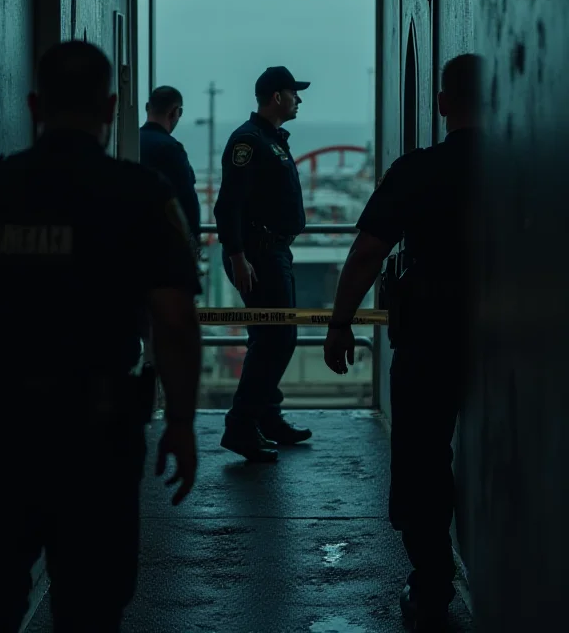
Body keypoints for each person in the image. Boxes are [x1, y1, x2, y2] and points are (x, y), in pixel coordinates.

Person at [0, 41, 202, 633]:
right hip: (96, 429)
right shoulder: (141, 195)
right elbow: (175, 319)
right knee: (91, 603)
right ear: (110, 107)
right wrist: (180, 422)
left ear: (34, 105)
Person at [323, 54, 481, 632]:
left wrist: (341, 322)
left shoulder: (417, 171)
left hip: (430, 338)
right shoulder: (528, 168)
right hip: (514, 341)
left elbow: (367, 252)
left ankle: (433, 586)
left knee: (420, 462)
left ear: (442, 103)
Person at [214, 66, 313, 462]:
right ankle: (241, 425)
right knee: (278, 338)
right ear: (277, 97)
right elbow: (229, 204)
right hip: (257, 255)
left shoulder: (272, 139)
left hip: (273, 252)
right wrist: (238, 257)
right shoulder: (249, 142)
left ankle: (267, 417)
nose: (299, 100)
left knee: (268, 339)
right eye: (294, 93)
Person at [140, 85, 201, 247]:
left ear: (147, 107)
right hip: (162, 243)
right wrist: (193, 242)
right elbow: (187, 201)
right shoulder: (171, 149)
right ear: (176, 112)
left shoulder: (130, 141)